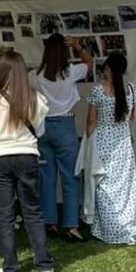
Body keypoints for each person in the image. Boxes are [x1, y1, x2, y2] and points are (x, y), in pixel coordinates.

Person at [0, 50, 54, 272]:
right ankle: (43, 264)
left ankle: (10, 267)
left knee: (4, 213)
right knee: (33, 211)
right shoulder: (36, 98)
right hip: (27, 156)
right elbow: (39, 131)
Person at [31, 33, 93, 241]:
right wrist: (77, 45)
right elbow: (89, 62)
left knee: (46, 177)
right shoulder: (71, 72)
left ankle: (49, 222)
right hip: (65, 125)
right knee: (70, 177)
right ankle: (71, 225)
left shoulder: (35, 75)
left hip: (43, 126)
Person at [86, 52, 136, 244]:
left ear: (110, 69)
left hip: (103, 143)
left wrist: (86, 142)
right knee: (125, 188)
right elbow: (135, 117)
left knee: (104, 186)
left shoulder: (98, 91)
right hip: (124, 145)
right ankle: (128, 227)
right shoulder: (133, 90)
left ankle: (109, 229)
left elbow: (91, 121)